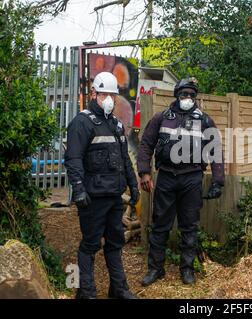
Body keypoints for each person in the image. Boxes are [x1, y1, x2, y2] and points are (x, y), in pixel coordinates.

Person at [137, 77, 224, 286]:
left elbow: (216, 152)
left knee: (189, 227)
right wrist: (144, 173)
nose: (188, 98)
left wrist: (218, 181)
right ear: (177, 94)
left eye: (192, 95)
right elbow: (146, 145)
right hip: (166, 176)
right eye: (184, 94)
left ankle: (187, 270)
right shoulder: (161, 117)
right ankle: (155, 269)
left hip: (192, 178)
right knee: (160, 226)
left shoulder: (204, 120)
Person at [64, 72, 140, 299]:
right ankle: (85, 292)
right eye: (104, 93)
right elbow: (73, 159)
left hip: (114, 197)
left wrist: (133, 185)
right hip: (92, 198)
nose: (109, 98)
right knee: (89, 244)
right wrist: (78, 188)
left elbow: (124, 158)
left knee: (115, 243)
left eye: (112, 95)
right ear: (94, 93)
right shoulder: (82, 123)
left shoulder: (117, 124)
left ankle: (119, 289)